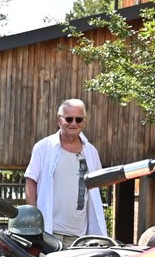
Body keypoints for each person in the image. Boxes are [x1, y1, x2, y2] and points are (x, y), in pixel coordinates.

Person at [24, 98, 108, 240]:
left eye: (78, 119)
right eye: (69, 119)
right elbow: (31, 180)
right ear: (59, 121)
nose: (74, 123)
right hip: (49, 231)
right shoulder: (44, 147)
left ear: (84, 122)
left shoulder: (91, 152)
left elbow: (97, 186)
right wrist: (33, 217)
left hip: (80, 234)